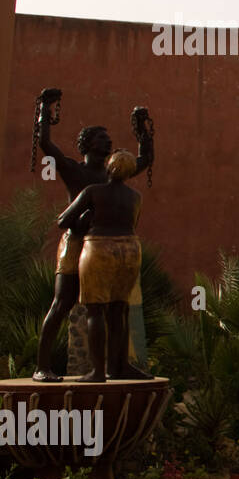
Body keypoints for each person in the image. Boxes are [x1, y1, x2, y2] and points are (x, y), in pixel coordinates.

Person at [31, 89, 154, 382]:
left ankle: (118, 366)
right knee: (62, 303)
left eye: (109, 140)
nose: (109, 142)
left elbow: (145, 159)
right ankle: (42, 366)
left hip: (103, 248)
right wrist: (44, 109)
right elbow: (46, 143)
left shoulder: (114, 177)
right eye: (102, 139)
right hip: (76, 243)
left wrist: (142, 130)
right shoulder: (75, 170)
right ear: (87, 144)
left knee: (116, 308)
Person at [56, 150, 144, 383]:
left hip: (99, 248)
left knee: (95, 310)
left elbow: (63, 221)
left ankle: (96, 371)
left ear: (109, 168)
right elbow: (133, 222)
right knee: (119, 309)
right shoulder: (135, 196)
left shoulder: (93, 192)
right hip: (130, 249)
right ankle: (119, 366)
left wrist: (88, 215)